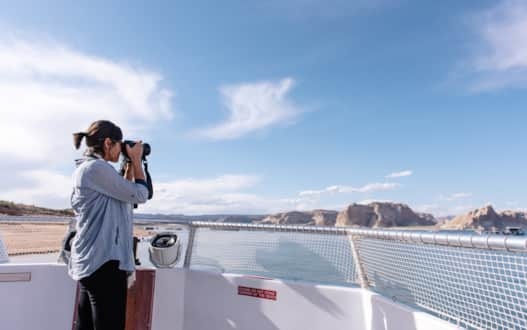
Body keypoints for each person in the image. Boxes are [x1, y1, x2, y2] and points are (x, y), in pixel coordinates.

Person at [69, 120, 149, 330]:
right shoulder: (97, 169)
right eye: (119, 145)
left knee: (86, 324)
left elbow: (123, 195)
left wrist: (130, 165)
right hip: (104, 262)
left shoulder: (88, 169)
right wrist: (137, 160)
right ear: (107, 143)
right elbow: (140, 194)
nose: (120, 149)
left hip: (91, 259)